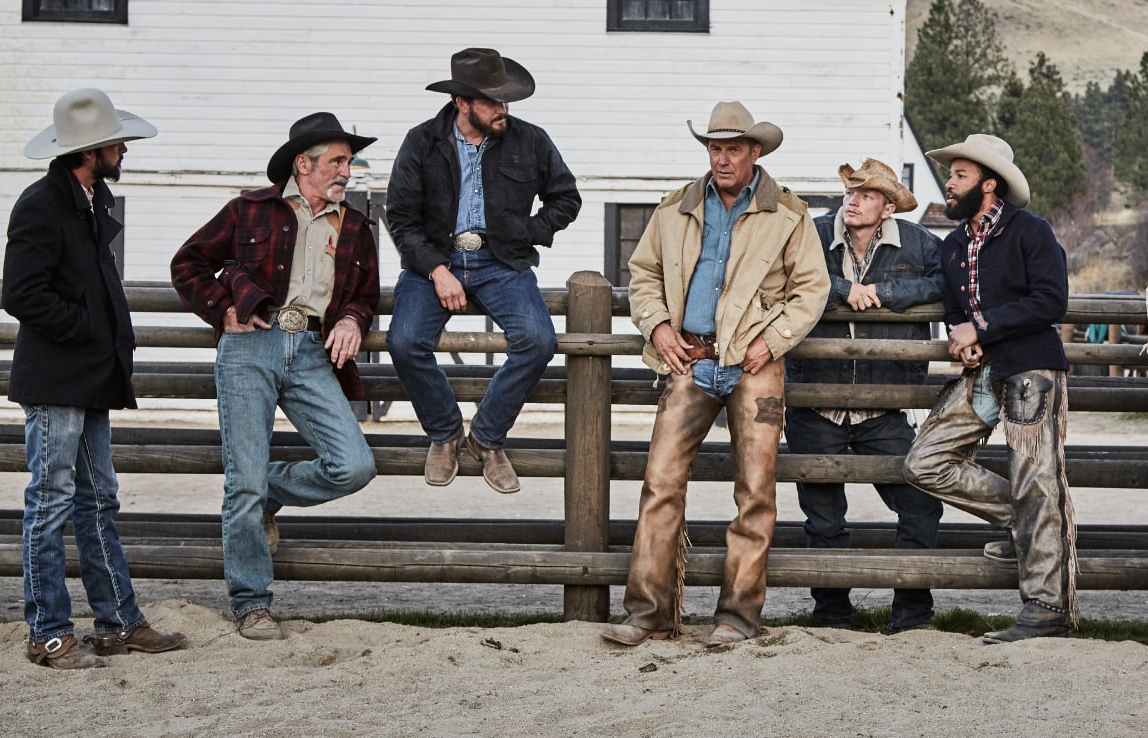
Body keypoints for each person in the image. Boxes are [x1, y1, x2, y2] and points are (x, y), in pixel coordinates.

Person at [601, 101, 830, 648]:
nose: (722, 158)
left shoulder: (790, 215)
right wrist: (657, 327)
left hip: (756, 365)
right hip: (690, 358)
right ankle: (648, 614)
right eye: (714, 148)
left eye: (733, 149)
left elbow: (811, 290)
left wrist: (770, 341)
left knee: (755, 490)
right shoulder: (676, 206)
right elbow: (643, 274)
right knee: (660, 482)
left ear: (755, 152)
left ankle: (738, 618)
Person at [171, 113, 380, 640]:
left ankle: (259, 489)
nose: (346, 171)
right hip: (249, 347)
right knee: (240, 482)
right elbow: (188, 263)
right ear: (303, 164)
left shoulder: (354, 224)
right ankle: (252, 604)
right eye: (337, 160)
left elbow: (365, 293)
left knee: (353, 466)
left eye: (348, 161)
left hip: (313, 351)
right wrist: (222, 310)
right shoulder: (249, 209)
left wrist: (354, 319)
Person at [4, 88, 186, 669]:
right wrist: (88, 330)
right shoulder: (42, 204)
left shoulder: (86, 199)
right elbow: (22, 295)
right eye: (118, 141)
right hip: (58, 379)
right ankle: (47, 634)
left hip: (88, 378)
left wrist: (99, 340)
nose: (125, 148)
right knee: (51, 503)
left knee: (97, 501)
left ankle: (116, 623)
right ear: (93, 149)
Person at [902, 134, 1076, 643]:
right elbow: (955, 307)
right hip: (983, 373)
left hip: (1031, 369)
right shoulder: (954, 244)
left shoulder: (1031, 232)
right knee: (924, 462)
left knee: (1036, 476)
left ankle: (1045, 607)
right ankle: (1030, 527)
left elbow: (1051, 302)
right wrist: (966, 337)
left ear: (989, 183)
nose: (949, 185)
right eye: (952, 175)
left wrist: (984, 328)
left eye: (959, 176)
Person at [386, 47, 582, 494]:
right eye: (493, 101)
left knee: (538, 341)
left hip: (503, 263)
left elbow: (566, 199)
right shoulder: (421, 141)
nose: (503, 109)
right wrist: (436, 269)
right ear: (462, 103)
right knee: (403, 341)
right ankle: (445, 433)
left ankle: (488, 436)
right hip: (434, 263)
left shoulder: (530, 139)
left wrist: (523, 232)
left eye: (505, 100)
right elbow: (400, 217)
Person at [784, 159, 945, 633]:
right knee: (824, 517)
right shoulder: (811, 235)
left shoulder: (918, 242)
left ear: (888, 206)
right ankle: (832, 616)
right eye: (851, 192)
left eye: (867, 195)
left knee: (919, 504)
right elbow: (786, 273)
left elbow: (941, 283)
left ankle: (912, 615)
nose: (852, 201)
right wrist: (842, 289)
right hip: (817, 399)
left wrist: (883, 291)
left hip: (885, 402)